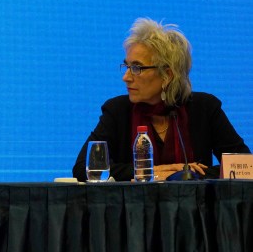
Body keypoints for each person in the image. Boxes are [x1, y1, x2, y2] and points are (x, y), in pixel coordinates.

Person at [73, 18, 249, 181]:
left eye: (136, 68)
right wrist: (155, 172)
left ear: (167, 75)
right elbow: (84, 168)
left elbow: (245, 167)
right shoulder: (117, 111)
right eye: (127, 66)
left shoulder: (205, 108)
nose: (126, 77)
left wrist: (185, 174)